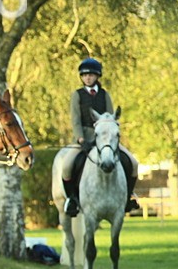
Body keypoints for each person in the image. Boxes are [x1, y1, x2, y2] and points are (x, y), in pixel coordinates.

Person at [60, 58, 139, 215]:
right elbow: (75, 119)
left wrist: (110, 136)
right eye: (84, 75)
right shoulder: (77, 95)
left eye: (90, 75)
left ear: (97, 76)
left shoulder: (104, 95)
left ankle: (129, 196)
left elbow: (111, 117)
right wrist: (81, 139)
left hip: (105, 139)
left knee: (134, 163)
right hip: (84, 138)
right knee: (67, 165)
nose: (87, 78)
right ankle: (72, 200)